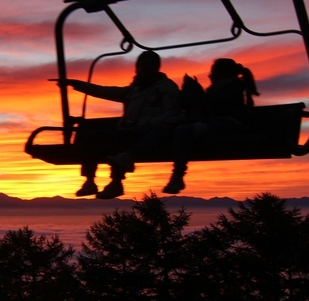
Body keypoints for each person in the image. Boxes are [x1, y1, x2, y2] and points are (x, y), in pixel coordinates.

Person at [65, 50, 180, 199]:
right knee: (94, 137)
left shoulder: (166, 88)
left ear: (156, 67)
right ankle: (90, 181)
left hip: (149, 133)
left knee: (121, 138)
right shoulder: (134, 90)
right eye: (143, 66)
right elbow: (105, 92)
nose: (145, 69)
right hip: (129, 130)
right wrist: (78, 85)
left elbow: (172, 112)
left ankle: (116, 183)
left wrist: (148, 124)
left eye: (150, 66)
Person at [163, 58, 259, 194]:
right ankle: (177, 176)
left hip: (227, 127)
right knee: (177, 128)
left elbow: (212, 108)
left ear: (223, 74)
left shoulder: (232, 89)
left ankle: (178, 175)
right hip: (218, 125)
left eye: (213, 72)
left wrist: (195, 92)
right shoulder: (226, 88)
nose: (210, 75)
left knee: (183, 131)